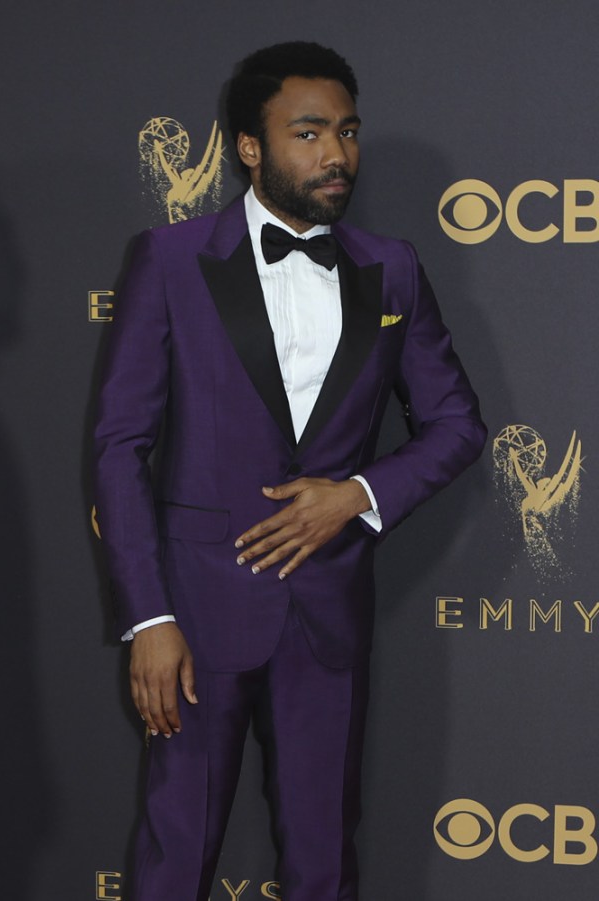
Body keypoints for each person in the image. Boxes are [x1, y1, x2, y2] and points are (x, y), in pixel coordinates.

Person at [93, 41, 487, 901]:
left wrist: (360, 494)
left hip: (327, 618)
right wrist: (148, 617)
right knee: (175, 857)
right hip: (193, 618)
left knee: (323, 864)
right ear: (248, 146)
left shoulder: (394, 267)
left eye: (347, 131)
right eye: (308, 132)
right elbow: (119, 446)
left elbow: (458, 423)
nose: (336, 153)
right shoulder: (169, 260)